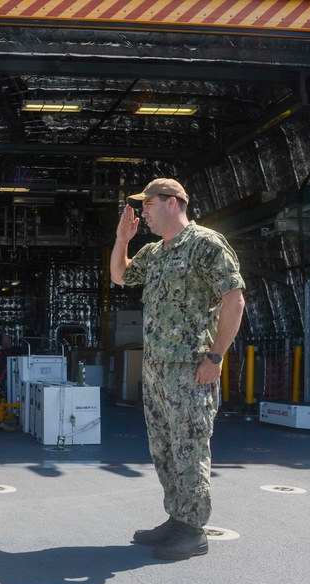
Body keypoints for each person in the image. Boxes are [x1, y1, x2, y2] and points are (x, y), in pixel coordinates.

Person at [110, 178, 245, 561]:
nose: (144, 211)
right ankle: (176, 517)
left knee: (189, 448)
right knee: (164, 449)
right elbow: (120, 276)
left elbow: (234, 301)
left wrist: (215, 358)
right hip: (156, 371)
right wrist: (123, 239)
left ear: (171, 203)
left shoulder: (206, 244)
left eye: (148, 204)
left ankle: (193, 530)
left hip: (190, 369)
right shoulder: (155, 252)